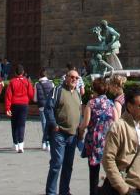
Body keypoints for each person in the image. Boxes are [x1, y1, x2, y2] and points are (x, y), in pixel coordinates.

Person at [101, 86, 140, 195]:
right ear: (129, 106)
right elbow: (107, 159)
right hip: (126, 189)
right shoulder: (118, 127)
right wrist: (123, 188)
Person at [44, 65, 84, 195]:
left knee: (68, 166)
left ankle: (64, 191)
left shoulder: (77, 93)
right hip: (59, 133)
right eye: (71, 77)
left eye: (76, 78)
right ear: (66, 78)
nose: (74, 79)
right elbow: (48, 108)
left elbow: (79, 112)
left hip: (72, 135)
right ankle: (51, 192)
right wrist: (53, 124)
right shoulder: (58, 90)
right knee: (57, 163)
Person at [80, 76, 120, 195]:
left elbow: (85, 123)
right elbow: (117, 122)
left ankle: (93, 192)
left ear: (95, 90)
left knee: (94, 171)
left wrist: (80, 130)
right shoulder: (111, 104)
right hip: (108, 140)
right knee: (110, 169)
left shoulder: (91, 103)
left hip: (94, 141)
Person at [4, 63, 34, 152]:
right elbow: (31, 94)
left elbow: (8, 96)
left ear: (15, 73)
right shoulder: (27, 81)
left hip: (14, 104)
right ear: (23, 72)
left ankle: (15, 144)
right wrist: (28, 100)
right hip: (24, 104)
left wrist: (7, 108)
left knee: (14, 125)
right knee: (21, 124)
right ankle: (21, 144)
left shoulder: (12, 82)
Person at [35, 68, 55, 151]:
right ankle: (49, 143)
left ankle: (45, 143)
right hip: (50, 106)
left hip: (42, 106)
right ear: (46, 75)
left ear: (39, 75)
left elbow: (35, 99)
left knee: (44, 124)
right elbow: (54, 97)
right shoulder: (51, 83)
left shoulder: (36, 84)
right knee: (50, 123)